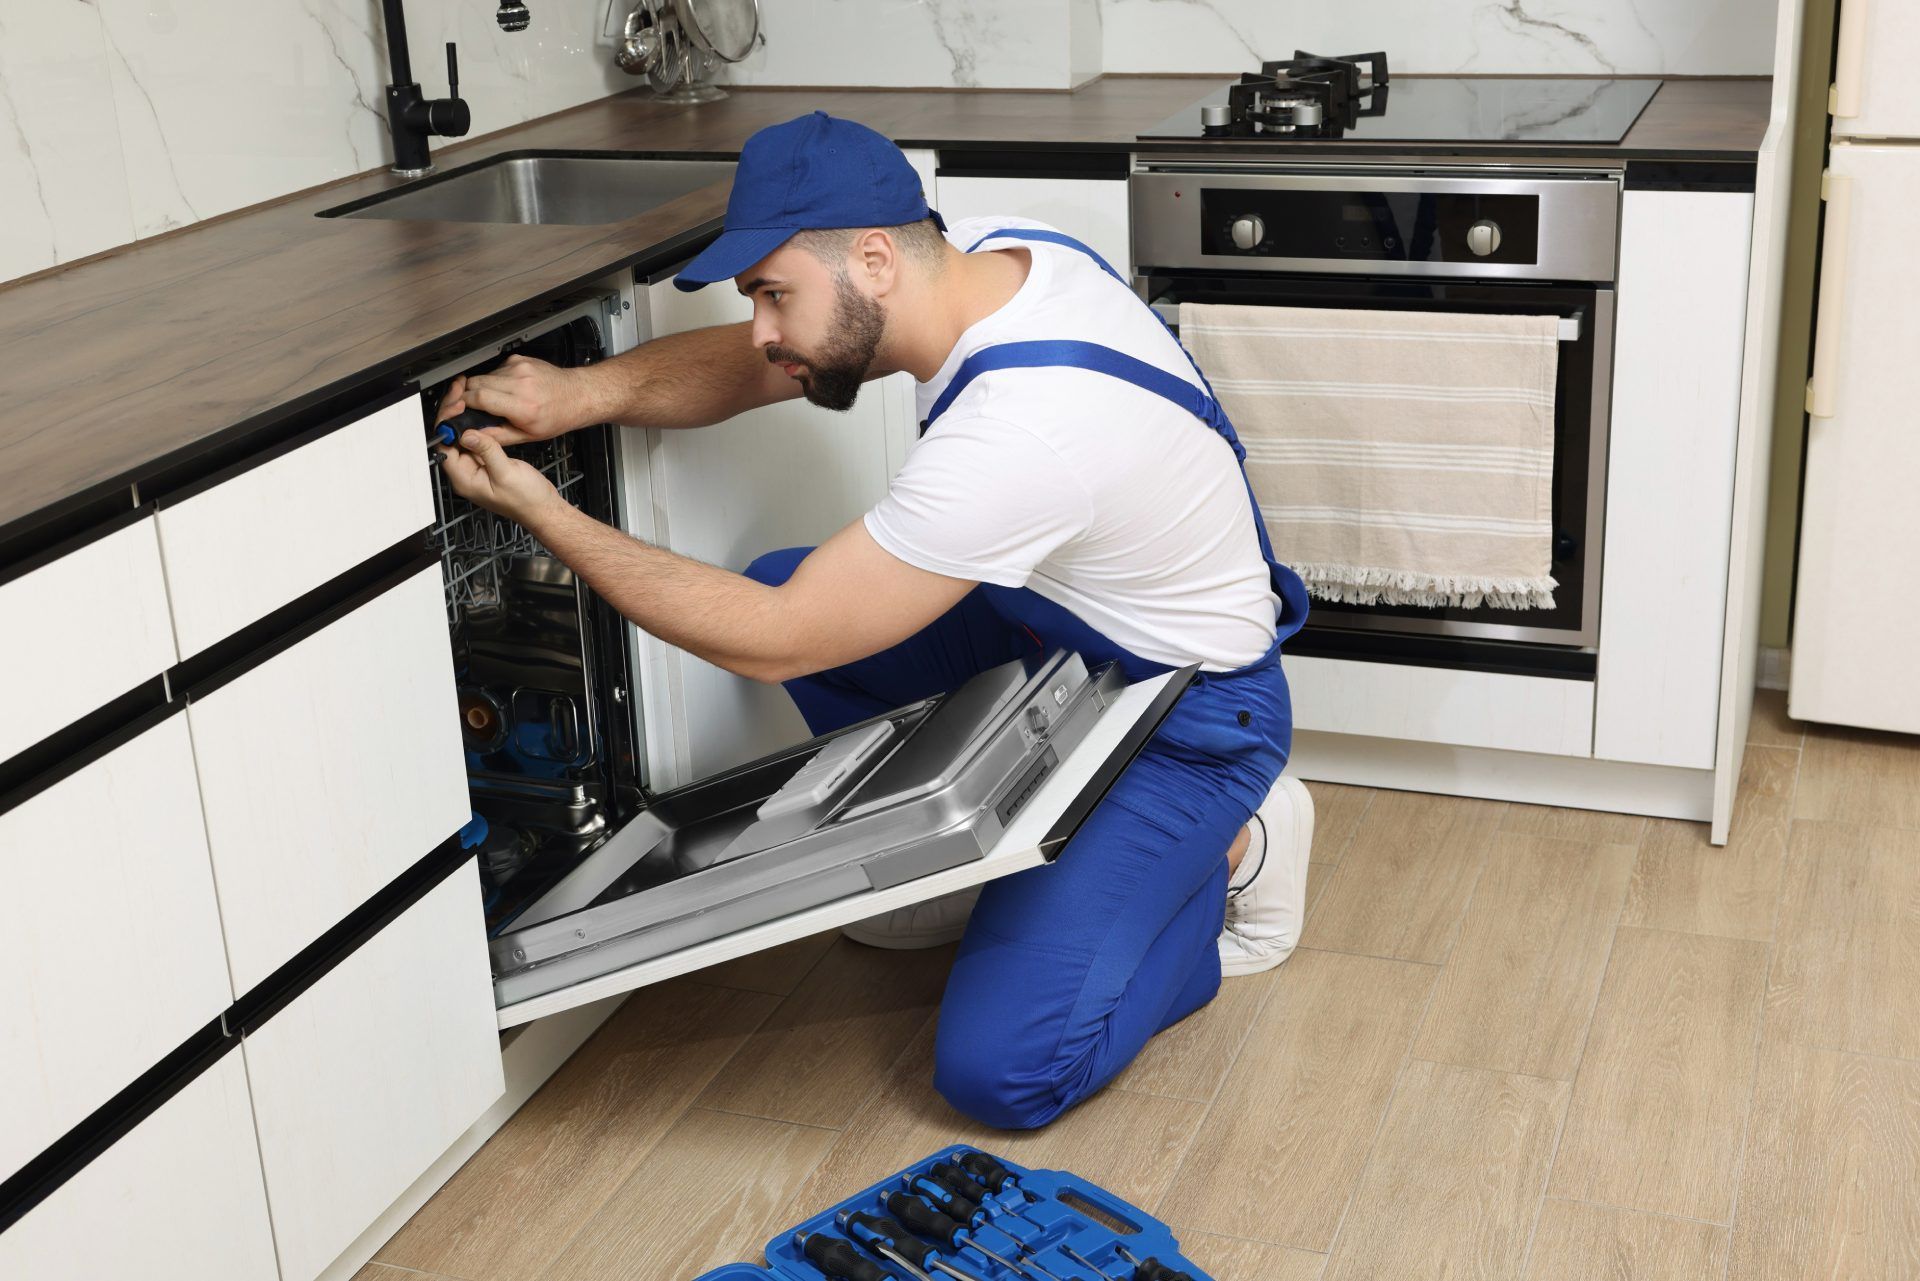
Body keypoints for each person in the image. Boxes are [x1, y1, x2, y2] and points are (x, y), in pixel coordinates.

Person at [435, 111, 1315, 1130]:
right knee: (791, 579)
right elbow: (775, 360)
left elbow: (778, 633)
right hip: (1061, 636)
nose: (762, 326)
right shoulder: (981, 255)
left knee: (1003, 1072)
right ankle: (1003, 866)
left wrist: (548, 513)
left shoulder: (1026, 427)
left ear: (872, 258)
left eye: (773, 293)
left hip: (1185, 723)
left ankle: (1228, 856)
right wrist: (576, 394)